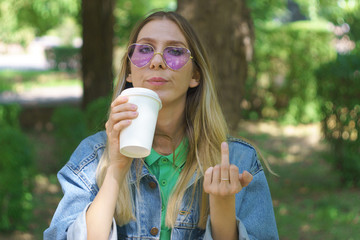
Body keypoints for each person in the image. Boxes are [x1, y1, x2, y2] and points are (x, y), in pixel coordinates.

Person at [44, 11, 279, 240]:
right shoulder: (91, 158)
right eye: (145, 49)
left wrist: (223, 205)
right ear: (128, 71)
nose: (157, 61)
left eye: (175, 51)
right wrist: (116, 168)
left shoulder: (239, 162)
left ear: (195, 75)